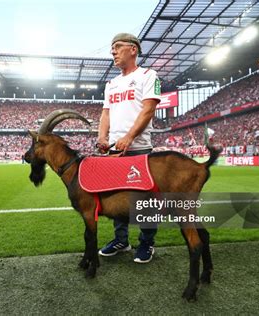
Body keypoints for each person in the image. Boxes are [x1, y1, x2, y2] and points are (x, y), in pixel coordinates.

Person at [97, 33, 162, 263]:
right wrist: (102, 137)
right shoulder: (111, 84)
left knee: (144, 201)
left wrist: (128, 137)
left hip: (139, 149)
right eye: (112, 48)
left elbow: (148, 110)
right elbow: (106, 113)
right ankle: (121, 240)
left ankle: (146, 243)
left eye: (117, 47)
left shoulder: (148, 75)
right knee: (117, 200)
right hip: (115, 152)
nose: (112, 52)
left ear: (133, 49)